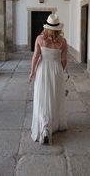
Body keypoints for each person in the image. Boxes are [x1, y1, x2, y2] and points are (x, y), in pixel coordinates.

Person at [29, 13, 68, 144]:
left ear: (46, 27)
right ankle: (53, 124)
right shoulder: (63, 42)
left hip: (43, 70)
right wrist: (60, 71)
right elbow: (64, 60)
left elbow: (35, 57)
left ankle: (44, 127)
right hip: (56, 70)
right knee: (54, 97)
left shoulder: (40, 39)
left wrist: (32, 71)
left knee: (42, 97)